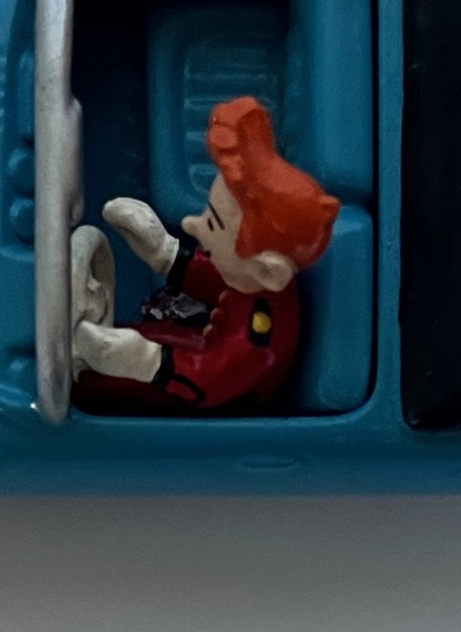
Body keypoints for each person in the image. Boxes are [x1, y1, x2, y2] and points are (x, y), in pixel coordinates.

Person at [73, 96, 340, 412]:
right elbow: (219, 280)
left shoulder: (256, 342)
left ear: (269, 271)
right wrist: (165, 252)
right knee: (132, 336)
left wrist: (146, 362)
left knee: (94, 380)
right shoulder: (254, 282)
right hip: (205, 348)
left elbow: (210, 379)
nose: (191, 224)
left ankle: (82, 375)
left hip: (217, 396)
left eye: (212, 222)